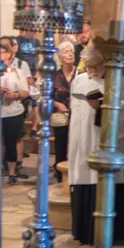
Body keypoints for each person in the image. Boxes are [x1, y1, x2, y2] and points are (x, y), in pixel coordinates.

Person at [68, 48, 124, 246]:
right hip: (83, 140)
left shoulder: (119, 82)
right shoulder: (78, 81)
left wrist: (101, 107)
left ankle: (112, 233)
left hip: (104, 141)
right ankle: (84, 231)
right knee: (84, 177)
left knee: (105, 180)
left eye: (97, 66)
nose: (93, 70)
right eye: (89, 67)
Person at [0, 43, 30, 185]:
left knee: (12, 141)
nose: (0, 55)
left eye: (3, 52)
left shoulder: (18, 72)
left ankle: (12, 172)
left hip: (13, 112)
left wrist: (16, 94)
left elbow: (25, 91)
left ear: (9, 54)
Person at [52, 42, 76, 182]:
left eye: (71, 51)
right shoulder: (55, 75)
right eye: (66, 51)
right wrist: (57, 104)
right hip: (61, 115)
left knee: (76, 143)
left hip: (78, 114)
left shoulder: (80, 73)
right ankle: (60, 175)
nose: (70, 54)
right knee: (61, 144)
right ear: (60, 57)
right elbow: (47, 96)